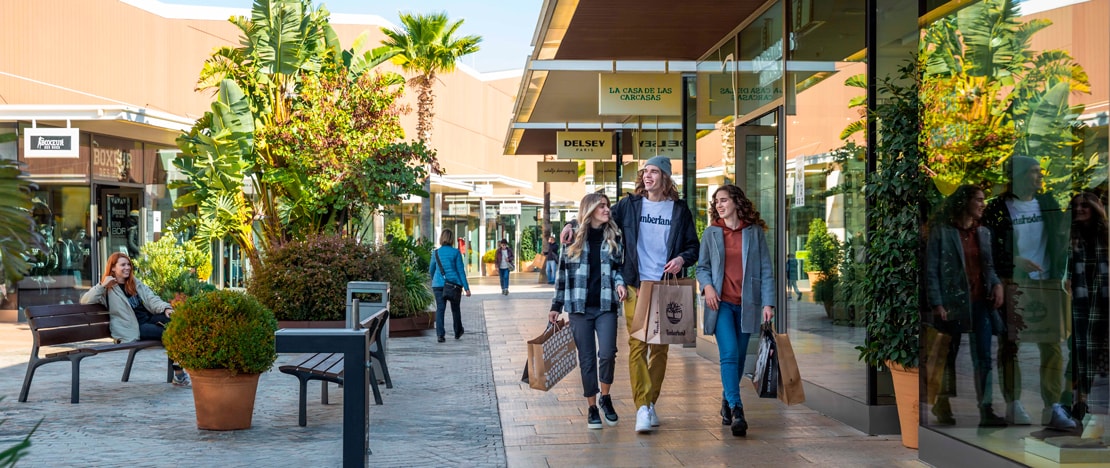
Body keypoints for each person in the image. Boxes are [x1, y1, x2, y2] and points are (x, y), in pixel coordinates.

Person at [610, 155, 699, 433]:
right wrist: (571, 226)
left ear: (665, 177)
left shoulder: (679, 210)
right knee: (638, 346)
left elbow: (692, 247)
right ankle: (642, 407)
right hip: (636, 285)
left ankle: (650, 402)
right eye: (645, 171)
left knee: (659, 349)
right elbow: (600, 219)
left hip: (665, 287)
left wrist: (682, 260)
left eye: (654, 172)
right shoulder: (629, 206)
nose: (647, 176)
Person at [982, 155, 1071, 427]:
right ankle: (1014, 403)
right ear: (1017, 176)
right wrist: (1013, 262)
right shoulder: (997, 208)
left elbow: (1061, 240)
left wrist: (1063, 274)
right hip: (1013, 283)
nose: (1039, 176)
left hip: (1047, 283)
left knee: (1052, 345)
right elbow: (990, 249)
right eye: (1033, 172)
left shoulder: (1048, 204)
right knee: (1010, 345)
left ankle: (1052, 405)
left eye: (1039, 171)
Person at [695, 184, 775, 437]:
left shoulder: (754, 233)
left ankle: (726, 399)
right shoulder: (711, 233)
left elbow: (765, 270)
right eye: (716, 201)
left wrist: (768, 303)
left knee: (740, 359)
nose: (719, 205)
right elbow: (702, 267)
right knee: (728, 353)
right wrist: (707, 286)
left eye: (724, 200)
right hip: (720, 305)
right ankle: (737, 408)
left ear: (736, 203)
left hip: (747, 304)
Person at [925, 185, 1007, 427]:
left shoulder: (983, 233)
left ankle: (986, 408)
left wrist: (997, 284)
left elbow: (988, 267)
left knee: (983, 357)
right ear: (965, 203)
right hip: (953, 304)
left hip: (981, 303)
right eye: (979, 200)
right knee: (948, 355)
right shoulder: (942, 232)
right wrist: (937, 303)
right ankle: (943, 403)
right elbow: (931, 271)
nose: (983, 204)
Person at [549, 192, 627, 429]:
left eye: (607, 206)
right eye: (601, 206)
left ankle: (605, 397)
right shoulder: (571, 239)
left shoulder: (614, 235)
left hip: (606, 305)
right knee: (586, 359)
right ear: (590, 209)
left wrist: (619, 282)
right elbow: (562, 275)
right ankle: (592, 407)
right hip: (579, 308)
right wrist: (555, 306)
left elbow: (618, 267)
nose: (606, 210)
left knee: (608, 353)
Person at [79, 252, 189, 387]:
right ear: (113, 268)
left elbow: (151, 298)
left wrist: (166, 308)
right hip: (134, 327)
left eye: (129, 265)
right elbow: (85, 301)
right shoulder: (107, 289)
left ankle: (180, 367)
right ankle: (179, 373)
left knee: (176, 325)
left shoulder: (134, 283)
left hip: (149, 318)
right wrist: (102, 285)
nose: (127, 268)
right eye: (123, 265)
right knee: (169, 334)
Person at [1066, 192, 1108, 438]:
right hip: (1083, 301)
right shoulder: (1073, 234)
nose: (1080, 210)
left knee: (1100, 354)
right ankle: (1083, 406)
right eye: (1076, 206)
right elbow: (1068, 268)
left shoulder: (1106, 232)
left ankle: (1093, 408)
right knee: (1083, 353)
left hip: (1104, 300)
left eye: (1085, 205)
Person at [430, 229, 472, 343]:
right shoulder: (456, 252)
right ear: (452, 239)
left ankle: (440, 335)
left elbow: (431, 270)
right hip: (454, 285)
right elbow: (460, 271)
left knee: (440, 309)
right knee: (455, 309)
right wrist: (467, 288)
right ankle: (458, 332)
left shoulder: (436, 253)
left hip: (438, 285)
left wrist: (435, 280)